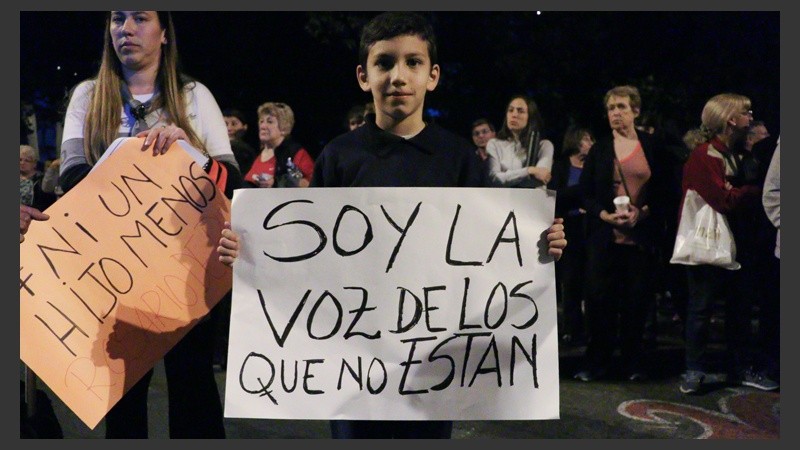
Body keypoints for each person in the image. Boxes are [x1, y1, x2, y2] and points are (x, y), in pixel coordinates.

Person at [218, 11, 566, 439]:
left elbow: (491, 253)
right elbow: (303, 256)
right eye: (384, 63)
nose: (398, 75)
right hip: (353, 369)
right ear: (364, 76)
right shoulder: (339, 156)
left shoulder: (457, 159)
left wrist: (540, 245)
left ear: (433, 76)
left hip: (436, 370)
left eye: (413, 62)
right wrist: (251, 252)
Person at [58, 11, 241, 438]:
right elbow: (70, 176)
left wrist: (187, 151)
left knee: (193, 386)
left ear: (163, 34)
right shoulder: (88, 95)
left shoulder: (194, 95)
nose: (126, 28)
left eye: (140, 18)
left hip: (187, 272)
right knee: (123, 396)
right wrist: (128, 156)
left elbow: (231, 178)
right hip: (116, 274)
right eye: (118, 19)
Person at [678, 93, 778, 395]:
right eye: (746, 112)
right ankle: (694, 369)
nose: (751, 117)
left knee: (740, 308)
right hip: (709, 243)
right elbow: (724, 199)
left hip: (739, 244)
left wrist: (740, 190)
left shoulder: (740, 155)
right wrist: (752, 191)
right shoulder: (704, 156)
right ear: (729, 120)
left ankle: (739, 368)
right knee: (701, 308)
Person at [575, 85, 668, 383]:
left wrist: (642, 213)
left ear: (635, 111)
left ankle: (633, 362)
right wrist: (604, 215)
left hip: (639, 237)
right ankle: (597, 362)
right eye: (611, 108)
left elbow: (667, 191)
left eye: (622, 107)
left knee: (636, 301)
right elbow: (585, 194)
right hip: (605, 236)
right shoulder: (601, 148)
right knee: (600, 301)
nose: (615, 113)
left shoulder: (652, 146)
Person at [548, 125, 594, 345]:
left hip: (591, 225)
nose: (590, 143)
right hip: (570, 225)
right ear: (576, 141)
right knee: (571, 279)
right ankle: (571, 328)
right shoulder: (561, 166)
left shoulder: (593, 165)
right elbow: (556, 195)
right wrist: (582, 195)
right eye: (586, 139)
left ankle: (591, 329)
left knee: (591, 279)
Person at [485, 95, 554, 188]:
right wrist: (529, 171)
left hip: (534, 200)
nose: (514, 115)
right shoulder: (494, 144)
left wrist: (507, 177)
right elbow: (494, 179)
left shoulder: (544, 145)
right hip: (503, 200)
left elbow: (538, 180)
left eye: (520, 111)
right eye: (510, 110)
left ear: (530, 117)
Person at [243, 101, 314, 188]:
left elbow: (312, 185)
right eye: (261, 121)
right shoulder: (253, 153)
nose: (263, 126)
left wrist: (276, 183)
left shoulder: (296, 153)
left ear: (284, 127)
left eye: (270, 122)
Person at [20, 145, 57, 212]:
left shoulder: (42, 180)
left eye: (27, 160)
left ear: (34, 164)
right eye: (20, 160)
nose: (22, 163)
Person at [223, 107, 258, 175]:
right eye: (225, 124)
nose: (229, 128)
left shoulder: (245, 150)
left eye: (234, 124)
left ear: (244, 127)